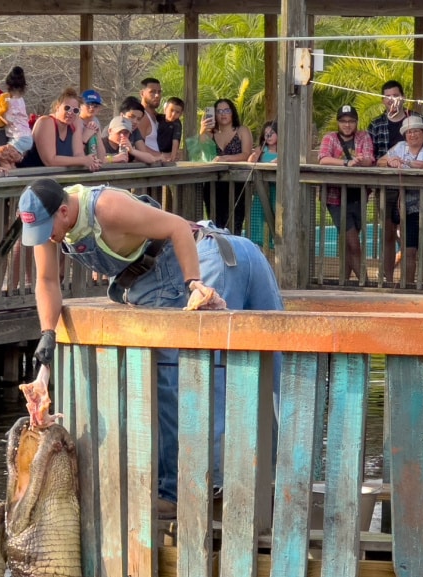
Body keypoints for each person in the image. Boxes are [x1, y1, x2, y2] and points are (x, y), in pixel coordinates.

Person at [18, 177, 284, 518]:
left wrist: (195, 285)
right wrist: (47, 340)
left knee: (195, 382)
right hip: (223, 254)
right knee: (234, 376)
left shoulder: (106, 206)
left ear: (65, 211)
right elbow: (46, 281)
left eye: (46, 230)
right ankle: (257, 484)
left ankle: (194, 493)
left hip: (208, 258)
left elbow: (176, 227)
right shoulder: (53, 219)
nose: (47, 239)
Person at [368, 80, 423, 279]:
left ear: (403, 97)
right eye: (388, 96)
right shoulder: (376, 124)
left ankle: (416, 279)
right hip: (387, 187)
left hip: (419, 191)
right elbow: (374, 157)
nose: (392, 99)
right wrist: (388, 162)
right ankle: (387, 277)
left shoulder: (418, 118)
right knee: (388, 232)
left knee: (413, 237)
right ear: (383, 100)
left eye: (395, 95)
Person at [318, 104, 374, 283]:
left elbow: (369, 159)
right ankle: (365, 283)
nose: (347, 125)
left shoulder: (364, 136)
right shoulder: (330, 138)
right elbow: (323, 159)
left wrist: (360, 160)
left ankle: (345, 282)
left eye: (351, 121)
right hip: (335, 197)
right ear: (338, 123)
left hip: (358, 197)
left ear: (356, 122)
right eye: (343, 121)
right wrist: (345, 163)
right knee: (353, 243)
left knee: (349, 243)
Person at [379, 116, 423, 285]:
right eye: (409, 132)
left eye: (416, 131)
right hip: (407, 205)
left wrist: (421, 165)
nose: (412, 135)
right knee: (409, 249)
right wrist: (390, 161)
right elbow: (380, 161)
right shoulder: (399, 147)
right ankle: (408, 285)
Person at [199, 97, 252, 232]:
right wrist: (202, 131)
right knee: (215, 224)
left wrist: (226, 158)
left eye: (226, 110)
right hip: (213, 184)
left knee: (235, 224)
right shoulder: (211, 133)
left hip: (237, 183)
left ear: (232, 112)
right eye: (219, 111)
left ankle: (233, 252)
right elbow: (201, 155)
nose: (223, 114)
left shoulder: (242, 130)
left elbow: (246, 154)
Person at [18, 88, 101, 171]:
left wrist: (91, 162)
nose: (70, 113)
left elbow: (79, 154)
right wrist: (84, 160)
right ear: (57, 107)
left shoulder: (75, 124)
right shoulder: (46, 122)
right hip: (30, 174)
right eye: (67, 108)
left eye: (75, 110)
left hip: (58, 176)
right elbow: (50, 160)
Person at [247, 121, 278, 248]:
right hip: (261, 189)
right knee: (258, 214)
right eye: (266, 134)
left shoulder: (284, 150)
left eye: (272, 133)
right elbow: (250, 161)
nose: (268, 136)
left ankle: (277, 241)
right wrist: (254, 156)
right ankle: (257, 242)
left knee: (277, 213)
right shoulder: (262, 149)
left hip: (277, 189)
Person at [0, 66, 33, 157]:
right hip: (24, 136)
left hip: (20, 138)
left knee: (2, 155)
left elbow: (8, 120)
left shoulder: (9, 102)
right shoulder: (21, 100)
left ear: (7, 86)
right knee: (9, 160)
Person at [78, 89, 106, 158]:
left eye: (95, 105)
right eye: (88, 104)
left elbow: (101, 157)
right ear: (80, 105)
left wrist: (98, 135)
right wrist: (85, 136)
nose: (92, 108)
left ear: (99, 108)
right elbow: (72, 153)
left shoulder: (95, 121)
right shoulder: (74, 121)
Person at [137, 77, 162, 153]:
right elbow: (138, 147)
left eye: (159, 92)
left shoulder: (157, 116)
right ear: (142, 93)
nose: (157, 95)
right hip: (148, 164)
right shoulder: (142, 117)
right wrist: (161, 156)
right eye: (152, 92)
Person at [157, 97, 184, 162]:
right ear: (165, 109)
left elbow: (175, 141)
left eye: (177, 112)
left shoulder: (176, 123)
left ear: (181, 114)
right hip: (155, 151)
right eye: (171, 110)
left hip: (168, 153)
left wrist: (172, 158)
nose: (173, 114)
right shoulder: (158, 118)